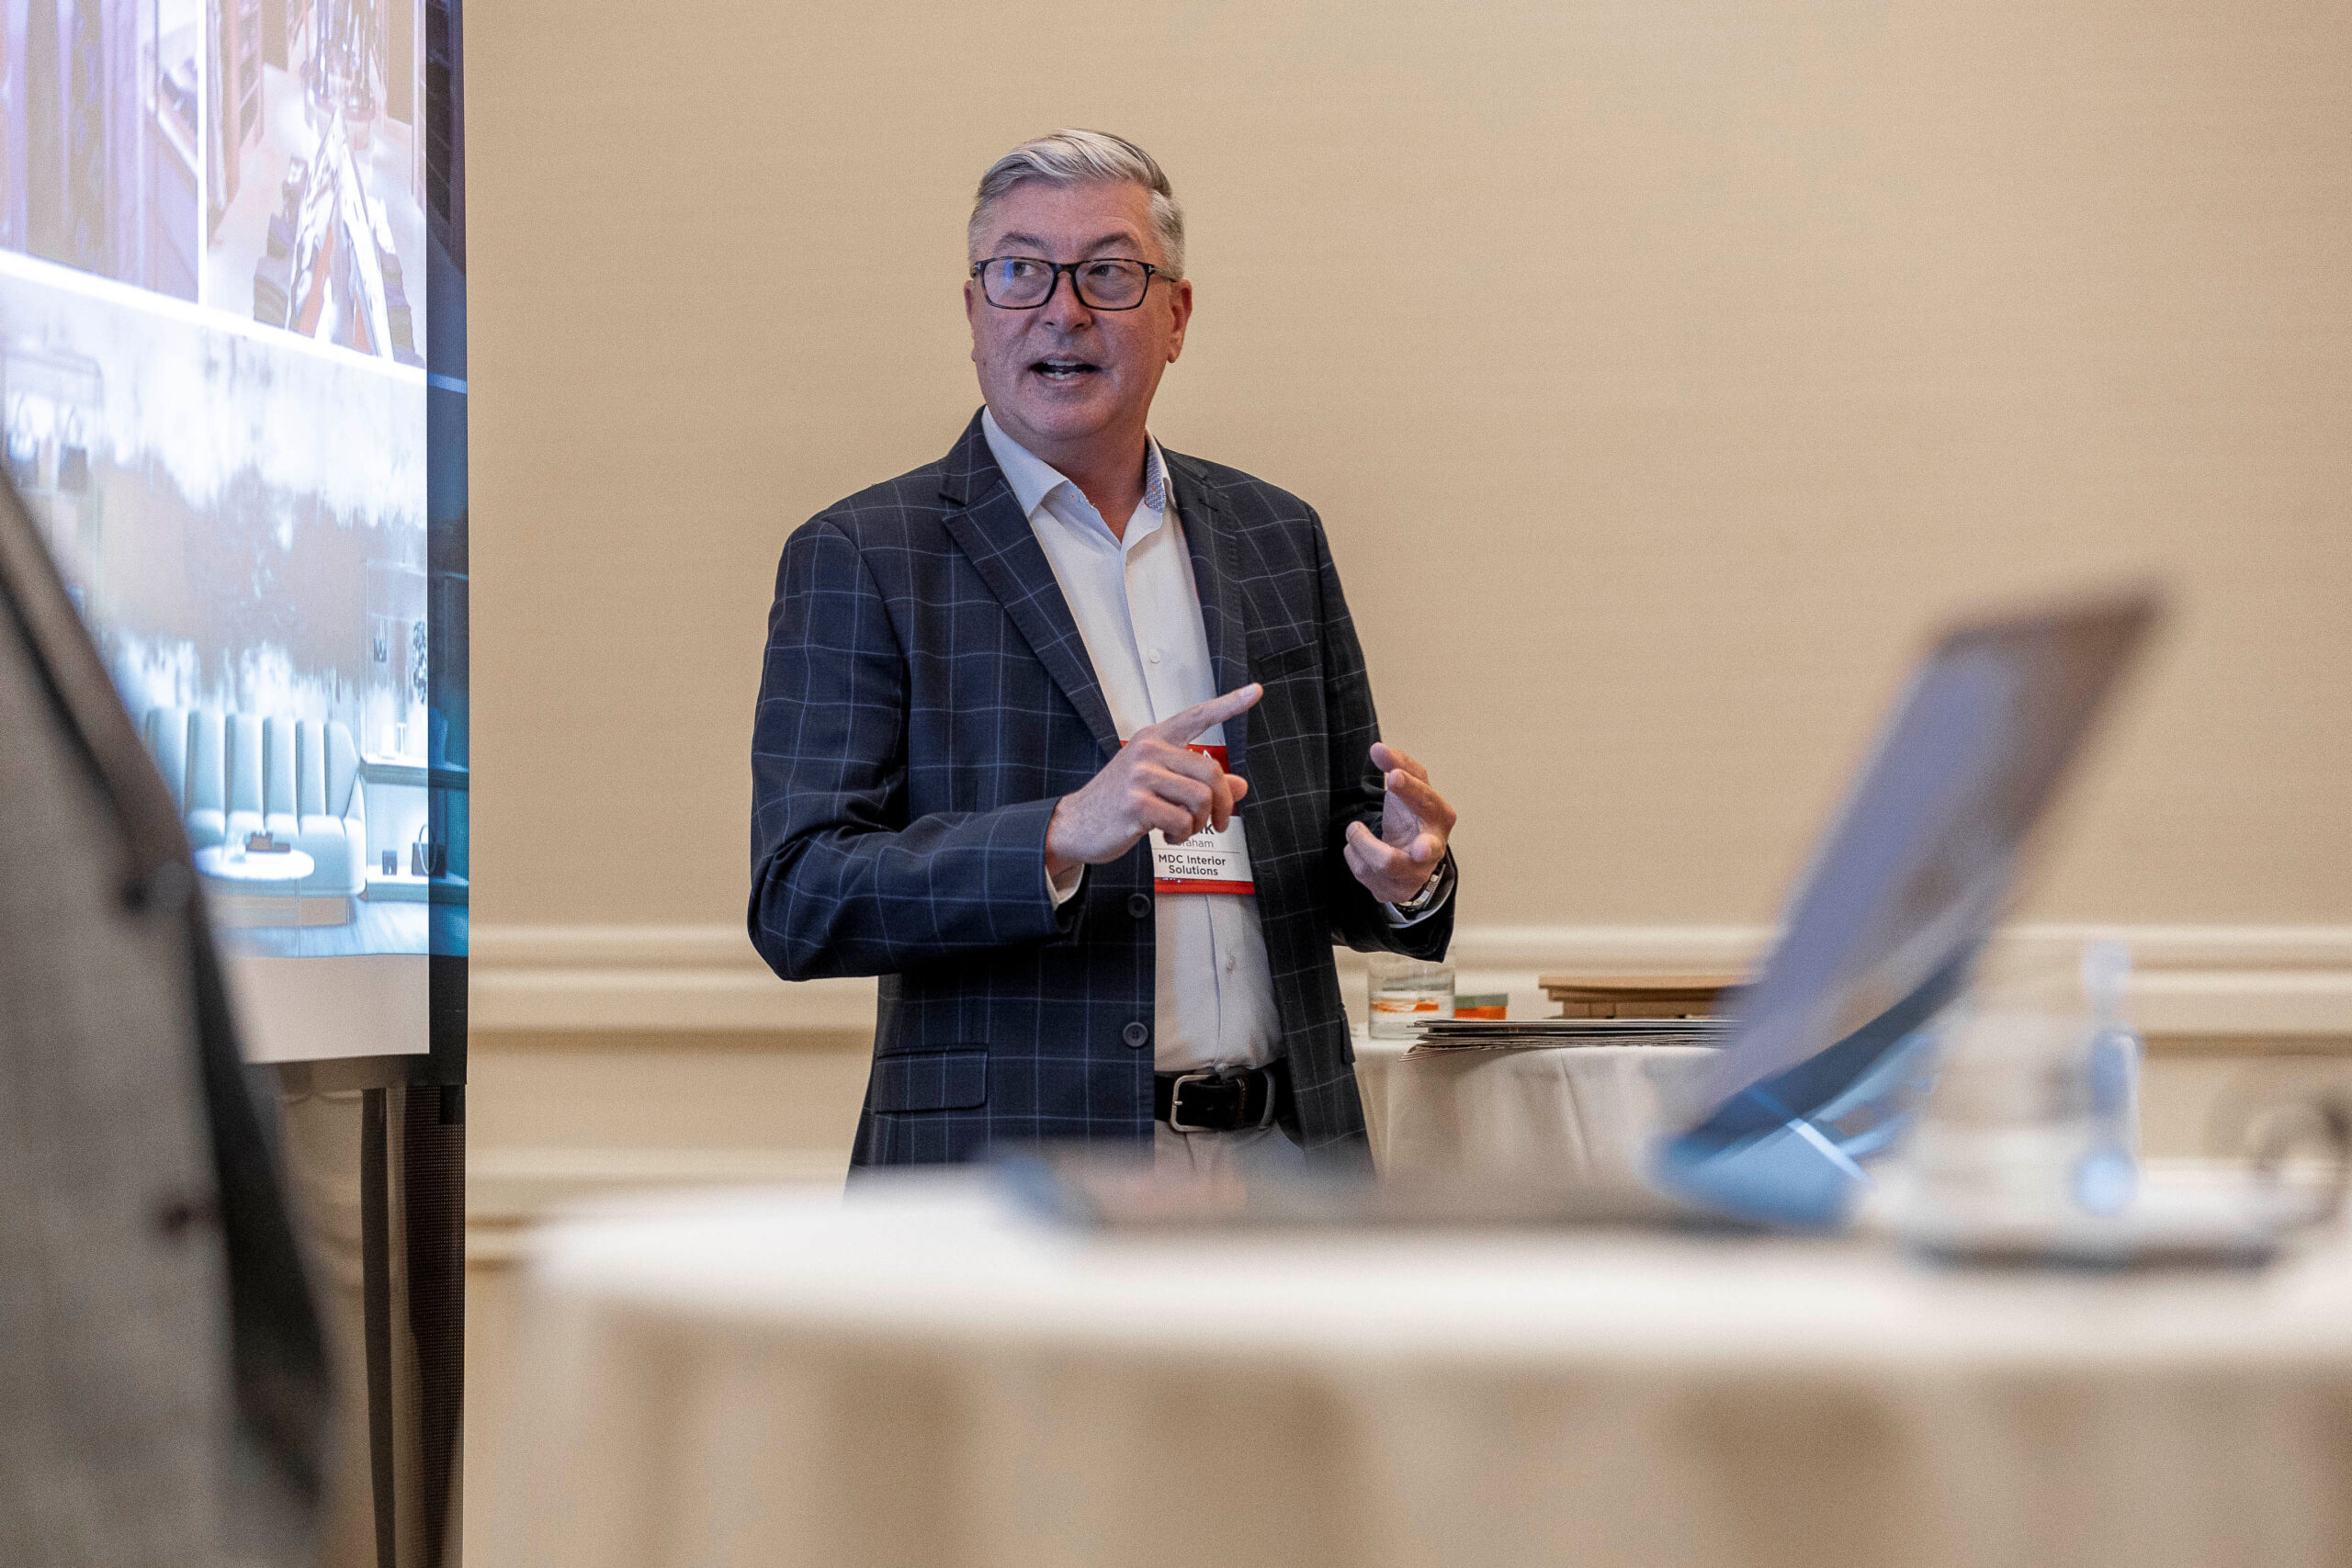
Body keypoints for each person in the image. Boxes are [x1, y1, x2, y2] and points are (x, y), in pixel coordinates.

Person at [749, 130, 1458, 1171]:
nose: (1063, 310)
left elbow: (1340, 847)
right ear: (973, 312)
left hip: (1284, 1163)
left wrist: (1403, 876)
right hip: (1011, 1181)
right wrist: (1061, 833)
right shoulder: (867, 554)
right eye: (1021, 271)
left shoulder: (1277, 535)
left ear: (1177, 317)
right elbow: (799, 897)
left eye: (1110, 274)